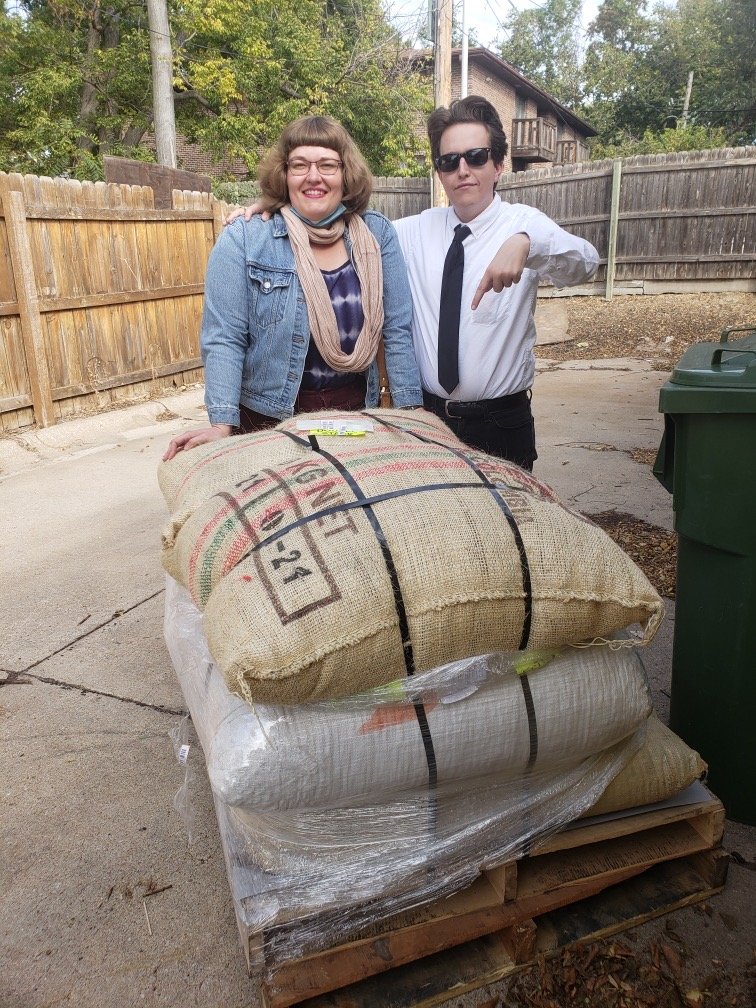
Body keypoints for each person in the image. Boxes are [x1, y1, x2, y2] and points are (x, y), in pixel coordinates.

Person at [227, 97, 599, 472]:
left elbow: (585, 263)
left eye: (476, 157)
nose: (463, 170)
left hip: (501, 421)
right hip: (426, 417)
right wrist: (272, 207)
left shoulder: (525, 224)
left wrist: (527, 244)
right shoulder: (410, 231)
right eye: (449, 161)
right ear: (439, 172)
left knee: (506, 527)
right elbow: (342, 225)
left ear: (499, 164)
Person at [163, 115, 422, 461]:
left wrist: (411, 411)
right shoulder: (245, 239)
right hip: (268, 422)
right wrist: (221, 424)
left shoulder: (377, 235)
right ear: (284, 175)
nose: (313, 176)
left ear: (346, 175)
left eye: (327, 165)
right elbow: (224, 337)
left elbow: (398, 329)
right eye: (300, 165)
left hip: (357, 418)